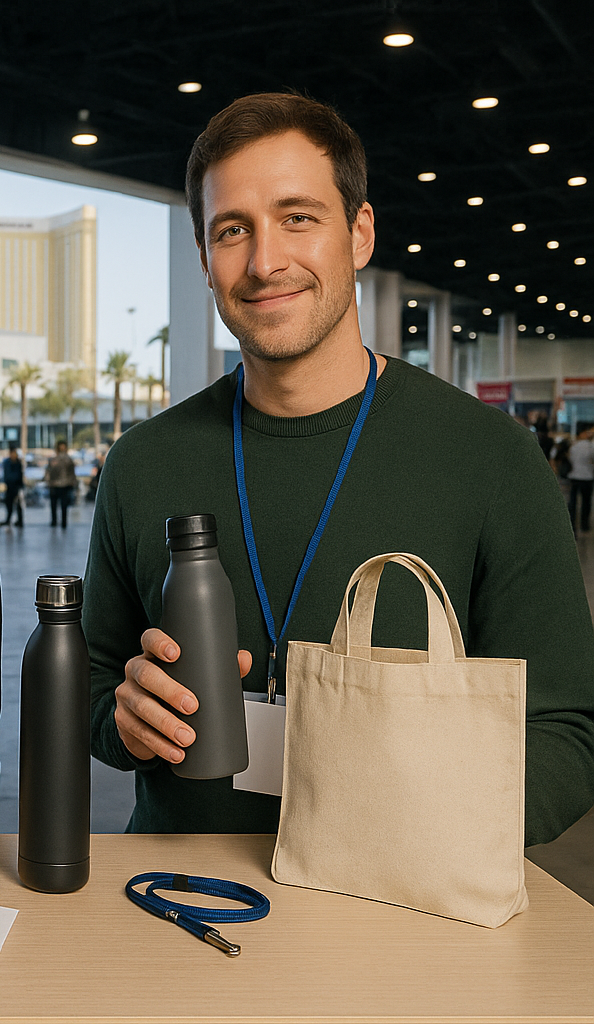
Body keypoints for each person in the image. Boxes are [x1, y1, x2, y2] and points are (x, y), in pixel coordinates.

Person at [84, 93, 594, 846]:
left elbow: (565, 731)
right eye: (232, 231)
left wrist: (408, 831)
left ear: (359, 233)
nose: (265, 262)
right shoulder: (143, 463)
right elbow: (93, 683)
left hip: (399, 916)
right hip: (178, 901)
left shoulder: (490, 459)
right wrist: (122, 719)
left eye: (298, 217)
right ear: (203, 257)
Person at [45, 439, 78, 528]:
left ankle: (56, 521)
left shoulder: (54, 460)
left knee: (59, 505)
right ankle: (60, 522)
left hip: (60, 485)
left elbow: (48, 472)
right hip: (60, 485)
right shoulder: (67, 460)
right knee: (61, 505)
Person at [568, 425, 594, 533]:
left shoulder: (573, 446)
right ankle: (584, 524)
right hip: (587, 477)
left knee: (573, 502)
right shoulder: (590, 446)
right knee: (586, 502)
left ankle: (572, 524)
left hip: (574, 476)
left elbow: (570, 459)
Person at [1, 443, 26, 526]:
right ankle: (9, 519)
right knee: (9, 504)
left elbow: (19, 475)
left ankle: (19, 520)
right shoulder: (9, 463)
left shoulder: (17, 463)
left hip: (16, 486)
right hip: (10, 486)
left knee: (18, 505)